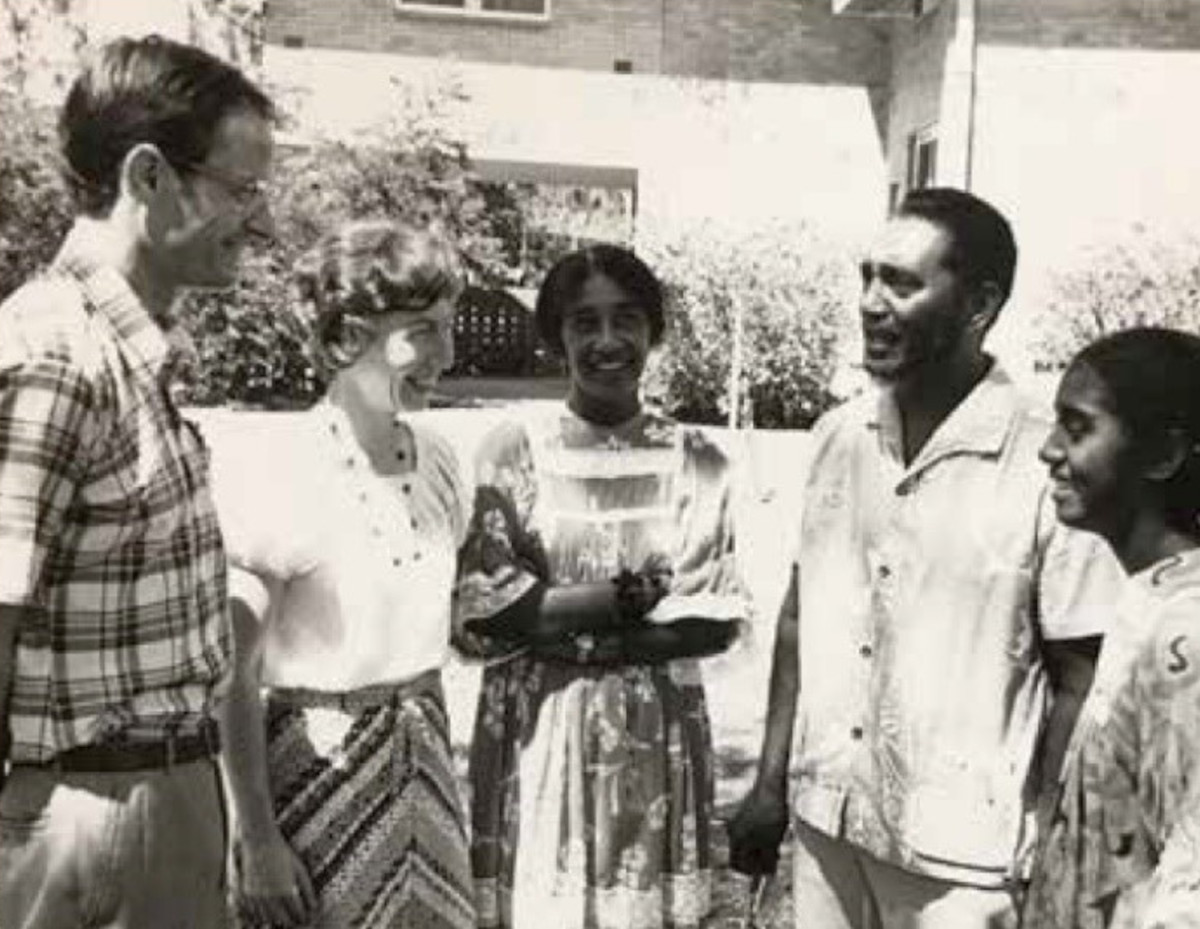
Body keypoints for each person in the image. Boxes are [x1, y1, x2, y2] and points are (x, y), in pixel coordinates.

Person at [727, 187, 1121, 928]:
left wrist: (1052, 845)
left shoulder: (1047, 459)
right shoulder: (838, 436)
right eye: (867, 277)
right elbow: (797, 616)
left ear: (979, 305)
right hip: (827, 822)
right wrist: (771, 784)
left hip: (966, 862)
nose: (872, 303)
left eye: (902, 283)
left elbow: (1080, 678)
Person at [0, 36, 274, 929]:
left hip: (162, 800)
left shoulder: (130, 350)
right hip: (88, 816)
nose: (258, 222)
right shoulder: (54, 354)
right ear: (148, 176)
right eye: (241, 190)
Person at [453, 244, 750, 929]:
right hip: (539, 725)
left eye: (627, 320)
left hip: (657, 727)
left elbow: (711, 619)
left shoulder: (697, 459)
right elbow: (489, 609)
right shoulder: (514, 450)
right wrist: (622, 604)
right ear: (558, 334)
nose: (608, 341)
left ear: (654, 330)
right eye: (585, 323)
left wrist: (561, 626)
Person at [211, 219, 475, 929]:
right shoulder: (282, 472)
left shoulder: (444, 463)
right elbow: (232, 671)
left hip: (426, 769)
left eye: (450, 327)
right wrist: (256, 837)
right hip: (312, 780)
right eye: (421, 330)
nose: (444, 354)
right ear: (345, 336)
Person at [1024, 327, 1200, 929]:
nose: (1048, 449)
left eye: (1077, 428)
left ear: (1163, 455)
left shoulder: (1185, 632)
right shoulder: (1147, 600)